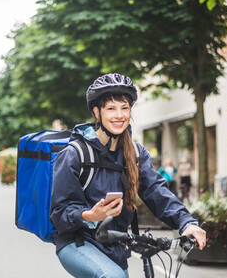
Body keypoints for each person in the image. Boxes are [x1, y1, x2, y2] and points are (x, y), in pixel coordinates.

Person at [51, 73, 206, 278]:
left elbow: (156, 191)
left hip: (115, 247)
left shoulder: (135, 154)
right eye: (111, 108)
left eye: (124, 108)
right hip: (77, 242)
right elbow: (60, 212)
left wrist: (187, 222)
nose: (119, 115)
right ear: (97, 112)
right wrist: (89, 216)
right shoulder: (74, 154)